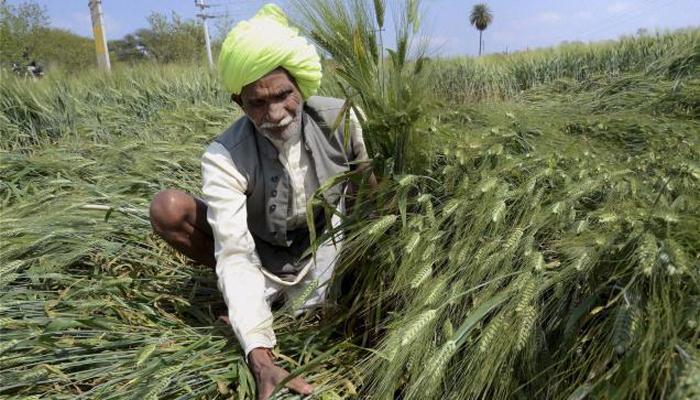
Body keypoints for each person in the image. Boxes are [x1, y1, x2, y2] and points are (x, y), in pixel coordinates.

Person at [149, 4, 372, 399]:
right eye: (256, 103)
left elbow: (370, 198)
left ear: (301, 87)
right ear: (239, 103)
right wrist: (261, 359)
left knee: (320, 309)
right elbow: (234, 252)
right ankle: (254, 306)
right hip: (261, 255)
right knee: (168, 208)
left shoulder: (343, 120)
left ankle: (302, 299)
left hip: (325, 245)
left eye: (284, 95)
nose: (275, 114)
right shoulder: (225, 156)